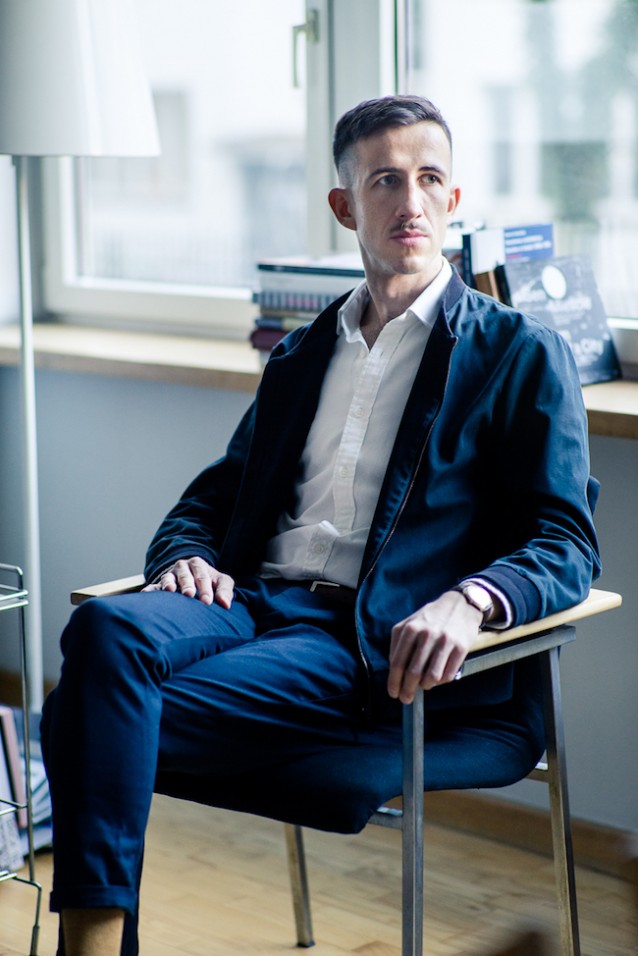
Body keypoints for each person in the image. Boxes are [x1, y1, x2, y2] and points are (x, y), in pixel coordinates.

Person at [41, 94, 600, 955]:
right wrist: (186, 553)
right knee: (104, 631)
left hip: (360, 638)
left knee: (84, 712)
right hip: (249, 603)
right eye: (385, 181)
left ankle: (88, 947)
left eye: (430, 179)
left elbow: (565, 541)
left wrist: (474, 600)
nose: (411, 201)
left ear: (455, 198)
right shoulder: (303, 354)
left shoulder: (518, 354)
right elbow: (211, 498)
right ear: (345, 206)